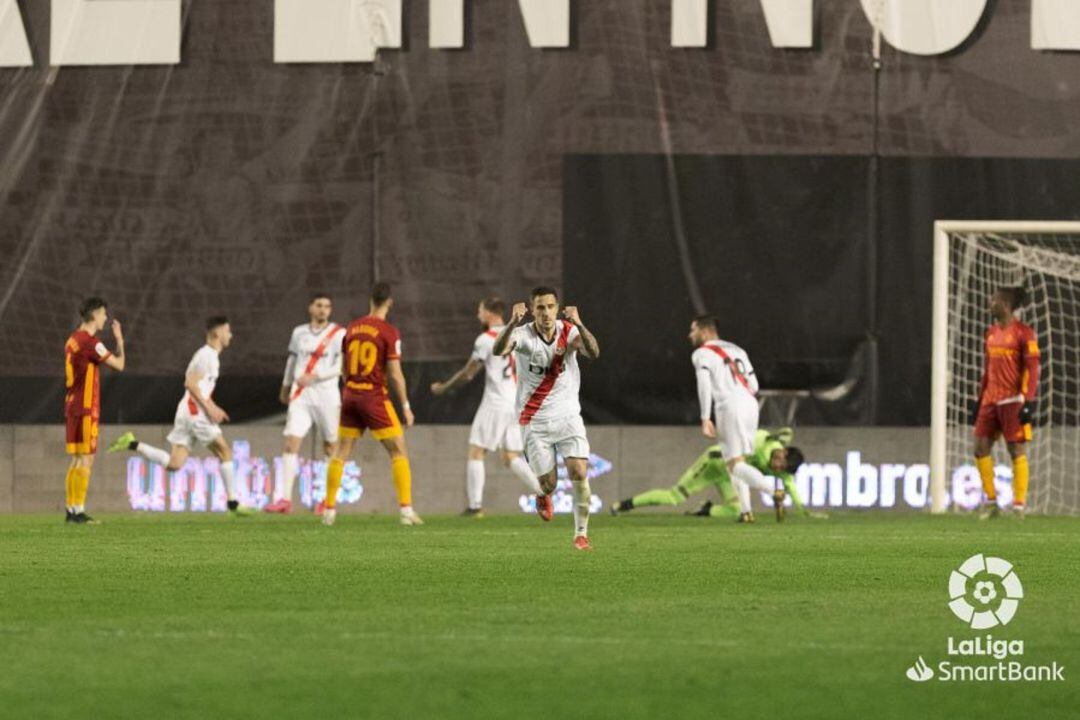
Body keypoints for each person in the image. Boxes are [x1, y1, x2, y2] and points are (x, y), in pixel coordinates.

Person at [109, 316, 253, 516]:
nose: (231, 335)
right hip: (195, 412)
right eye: (227, 331)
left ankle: (133, 444)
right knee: (225, 451)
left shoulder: (211, 356)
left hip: (187, 410)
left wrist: (212, 406)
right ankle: (233, 504)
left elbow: (198, 387)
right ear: (217, 333)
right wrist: (211, 408)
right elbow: (190, 384)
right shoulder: (206, 355)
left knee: (174, 464)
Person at [493, 287, 600, 550]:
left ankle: (581, 534)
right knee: (549, 484)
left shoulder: (568, 330)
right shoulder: (523, 334)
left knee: (579, 471)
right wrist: (510, 323)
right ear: (532, 310)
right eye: (540, 308)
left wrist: (580, 323)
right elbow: (499, 349)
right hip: (534, 420)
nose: (546, 313)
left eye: (550, 306)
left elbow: (593, 352)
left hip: (567, 416)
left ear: (557, 307)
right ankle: (542, 494)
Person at [321, 283, 422, 527]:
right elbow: (395, 374)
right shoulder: (388, 331)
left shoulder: (353, 327)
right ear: (389, 302)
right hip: (374, 396)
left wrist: (352, 388)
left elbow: (344, 368)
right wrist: (406, 405)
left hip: (350, 395)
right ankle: (406, 511)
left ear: (371, 300)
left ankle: (329, 511)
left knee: (341, 452)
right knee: (398, 450)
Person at [430, 296, 542, 517]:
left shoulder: (485, 339)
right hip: (516, 401)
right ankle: (543, 492)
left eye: (480, 310)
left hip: (496, 402)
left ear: (491, 313)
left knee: (476, 451)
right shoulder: (519, 334)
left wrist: (444, 388)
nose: (478, 315)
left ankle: (475, 506)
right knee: (510, 456)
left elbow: (468, 373)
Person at [610, 428, 809, 522]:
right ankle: (624, 505)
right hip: (714, 462)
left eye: (781, 469)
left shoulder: (782, 470)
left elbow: (790, 487)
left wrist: (803, 511)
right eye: (780, 463)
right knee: (674, 497)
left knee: (735, 509)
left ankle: (706, 510)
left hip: (730, 474)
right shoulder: (760, 442)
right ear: (782, 452)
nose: (777, 469)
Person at [688, 315, 775, 523]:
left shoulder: (702, 353)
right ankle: (746, 511)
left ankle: (774, 490)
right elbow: (754, 385)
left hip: (729, 405)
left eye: (693, 330)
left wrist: (704, 416)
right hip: (750, 403)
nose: (690, 335)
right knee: (735, 459)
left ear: (705, 331)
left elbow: (704, 384)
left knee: (735, 464)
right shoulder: (738, 349)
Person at [265, 293, 344, 513]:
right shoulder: (298, 333)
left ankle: (328, 500)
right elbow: (292, 361)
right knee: (291, 443)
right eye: (319, 305)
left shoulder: (339, 334)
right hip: (301, 396)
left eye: (327, 306)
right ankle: (285, 500)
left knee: (330, 446)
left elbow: (341, 367)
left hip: (327, 396)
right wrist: (285, 386)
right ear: (310, 308)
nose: (323, 310)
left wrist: (316, 376)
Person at [973, 286, 1040, 518]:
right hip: (989, 401)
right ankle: (991, 503)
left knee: (1016, 450)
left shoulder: (1024, 333)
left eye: (995, 300)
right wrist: (980, 398)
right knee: (980, 449)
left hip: (1013, 400)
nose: (991, 303)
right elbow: (987, 370)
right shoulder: (990, 333)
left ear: (1007, 306)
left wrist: (1028, 401)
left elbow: (1033, 369)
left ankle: (1019, 505)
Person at [63, 297, 126, 524]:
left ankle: (71, 510)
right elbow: (119, 365)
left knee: (77, 459)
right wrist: (119, 340)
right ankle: (78, 512)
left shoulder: (72, 340)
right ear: (95, 313)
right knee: (86, 460)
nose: (105, 318)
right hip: (86, 408)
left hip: (72, 406)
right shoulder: (91, 342)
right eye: (103, 314)